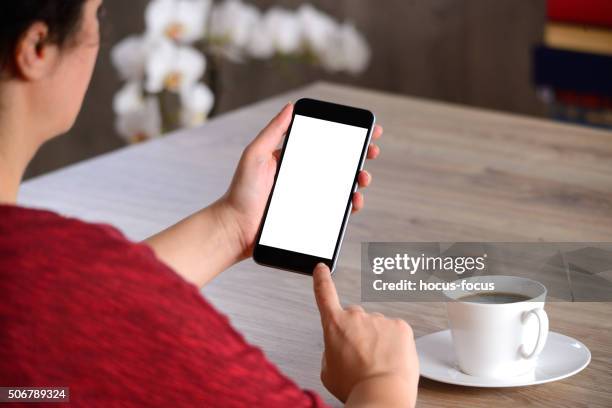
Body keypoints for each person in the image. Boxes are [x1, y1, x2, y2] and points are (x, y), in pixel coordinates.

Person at [0, 0, 419, 406]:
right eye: (98, 15)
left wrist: (234, 224)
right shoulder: (43, 276)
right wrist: (384, 383)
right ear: (37, 48)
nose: (98, 35)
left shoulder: (42, 277)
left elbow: (76, 314)